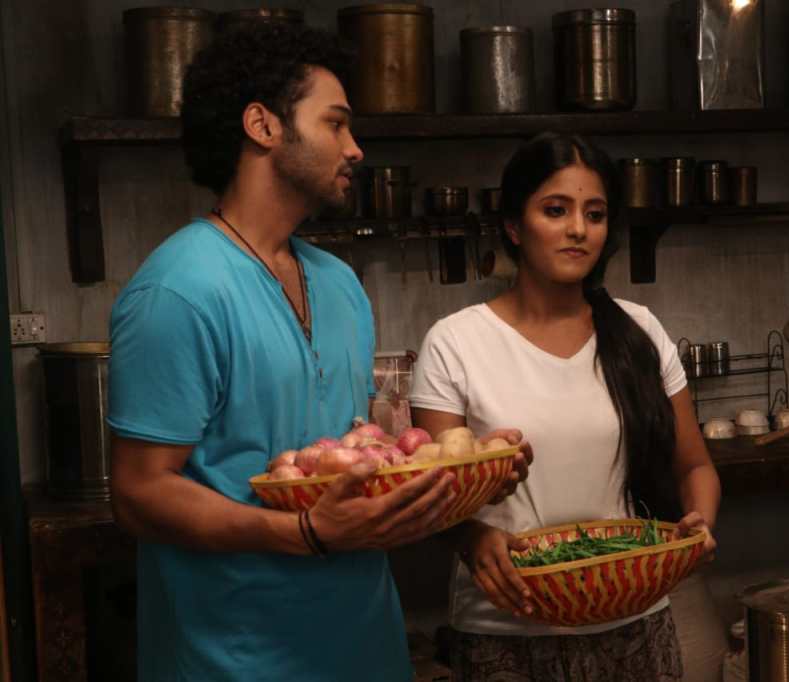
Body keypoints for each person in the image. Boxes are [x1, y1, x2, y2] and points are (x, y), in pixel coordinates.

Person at [107, 23, 527, 682]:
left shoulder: (339, 285)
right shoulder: (177, 291)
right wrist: (303, 534)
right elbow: (138, 494)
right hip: (237, 658)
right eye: (335, 123)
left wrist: (465, 480)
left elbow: (355, 457)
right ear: (263, 126)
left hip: (365, 645)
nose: (355, 149)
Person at [410, 132, 721, 681]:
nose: (579, 229)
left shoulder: (640, 331)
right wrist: (472, 538)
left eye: (595, 214)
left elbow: (694, 466)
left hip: (633, 620)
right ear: (514, 226)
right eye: (556, 210)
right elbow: (433, 493)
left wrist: (699, 524)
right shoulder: (455, 342)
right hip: (507, 627)